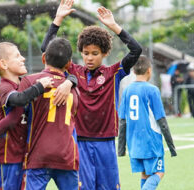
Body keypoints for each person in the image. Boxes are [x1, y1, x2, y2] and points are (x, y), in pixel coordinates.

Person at [40, 1, 142, 189]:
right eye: (86, 53)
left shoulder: (114, 73)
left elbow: (136, 50)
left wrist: (114, 26)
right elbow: (47, 49)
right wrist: (58, 19)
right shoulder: (73, 70)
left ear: (104, 53)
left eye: (95, 53)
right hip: (79, 142)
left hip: (106, 142)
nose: (89, 58)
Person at [0, 37, 80, 190]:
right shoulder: (5, 88)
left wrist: (70, 80)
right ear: (4, 64)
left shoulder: (25, 83)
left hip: (26, 155)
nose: (23, 58)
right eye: (17, 56)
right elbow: (12, 118)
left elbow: (56, 65)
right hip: (8, 157)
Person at [118, 55, 177, 190]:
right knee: (159, 172)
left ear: (133, 71)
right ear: (149, 71)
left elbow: (122, 121)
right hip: (151, 142)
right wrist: (171, 146)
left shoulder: (127, 91)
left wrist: (121, 148)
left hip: (134, 143)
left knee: (145, 174)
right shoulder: (152, 90)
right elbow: (161, 121)